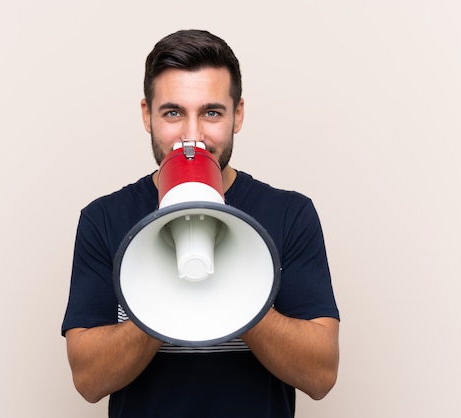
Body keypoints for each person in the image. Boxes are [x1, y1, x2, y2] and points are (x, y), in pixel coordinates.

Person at [61, 29, 340, 418]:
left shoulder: (290, 214)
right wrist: (167, 293)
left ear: (237, 114)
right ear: (147, 115)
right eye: (173, 113)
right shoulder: (104, 218)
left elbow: (321, 375)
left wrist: (231, 289)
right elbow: (89, 381)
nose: (192, 136)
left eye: (211, 112)